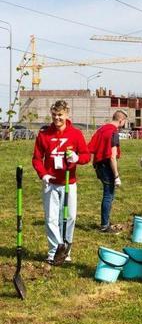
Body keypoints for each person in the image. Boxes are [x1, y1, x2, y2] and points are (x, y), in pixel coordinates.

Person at [32, 100, 90, 265]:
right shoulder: (44, 134)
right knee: (51, 218)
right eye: (54, 115)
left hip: (68, 182)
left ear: (67, 114)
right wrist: (43, 174)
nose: (57, 118)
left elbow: (86, 156)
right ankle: (54, 252)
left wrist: (77, 158)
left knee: (69, 217)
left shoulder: (76, 134)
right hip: (50, 183)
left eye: (60, 115)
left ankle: (66, 251)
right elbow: (36, 158)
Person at [87, 110, 128, 233]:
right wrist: (116, 176)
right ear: (121, 120)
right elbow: (112, 157)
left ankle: (106, 222)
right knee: (108, 195)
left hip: (99, 165)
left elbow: (91, 146)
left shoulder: (102, 129)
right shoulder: (113, 133)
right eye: (125, 121)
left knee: (108, 194)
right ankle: (105, 225)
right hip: (106, 166)